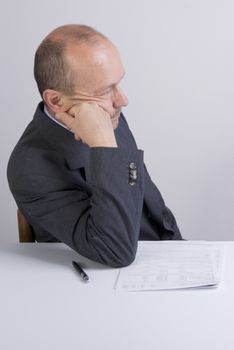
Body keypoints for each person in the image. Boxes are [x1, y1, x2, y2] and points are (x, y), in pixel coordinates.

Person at [7, 24, 182, 267]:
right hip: (102, 283)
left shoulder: (106, 113)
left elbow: (148, 204)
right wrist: (105, 147)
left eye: (118, 83)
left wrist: (179, 246)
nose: (122, 100)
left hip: (165, 255)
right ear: (56, 100)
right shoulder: (29, 168)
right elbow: (115, 251)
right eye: (105, 91)